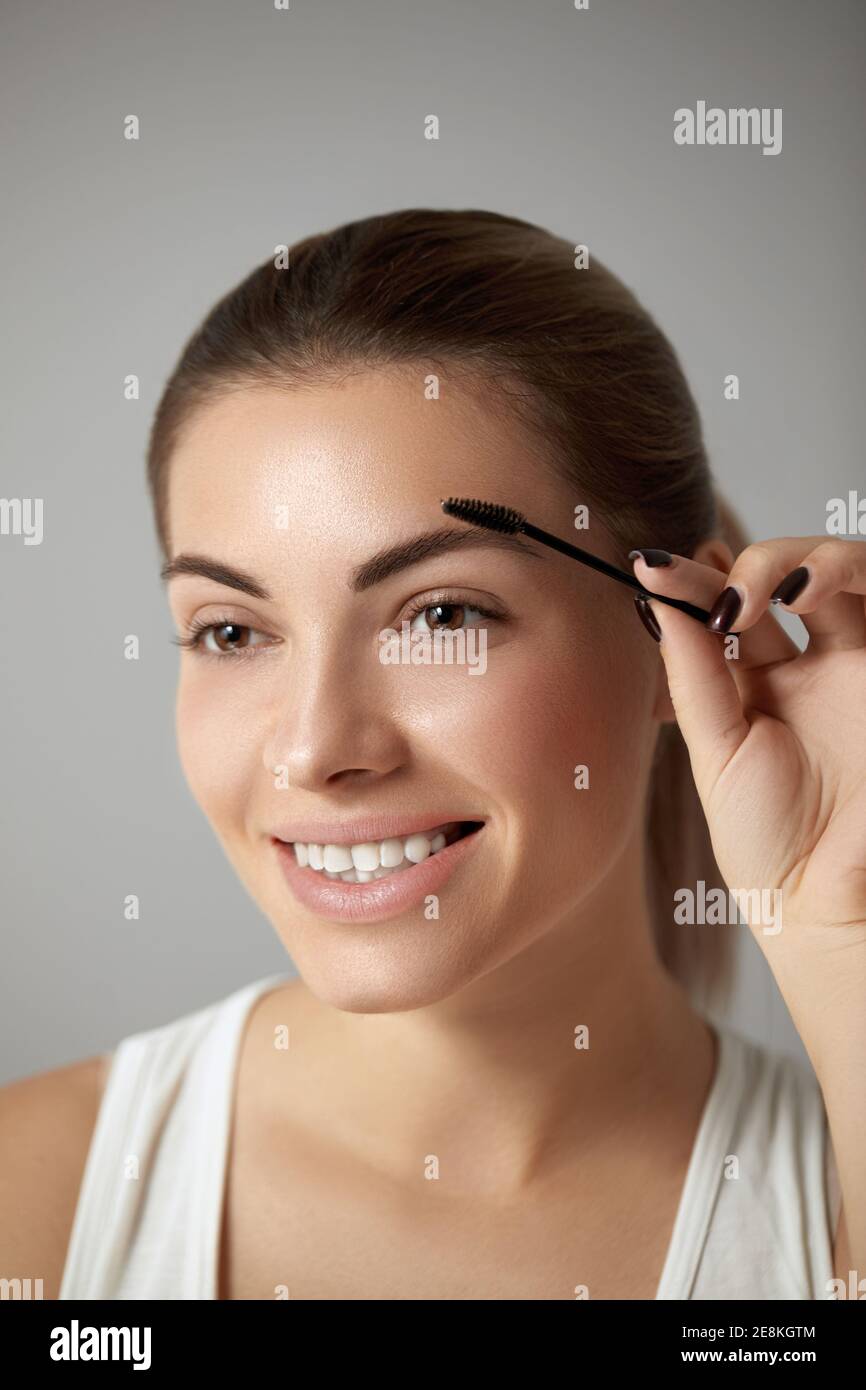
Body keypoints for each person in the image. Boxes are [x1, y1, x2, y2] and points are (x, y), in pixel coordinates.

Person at [1, 208, 861, 1300]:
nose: (316, 746)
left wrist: (842, 930)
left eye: (442, 615)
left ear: (676, 634)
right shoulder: (32, 1204)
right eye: (230, 630)